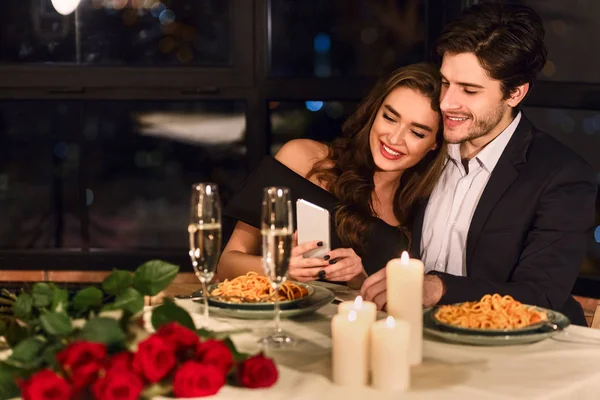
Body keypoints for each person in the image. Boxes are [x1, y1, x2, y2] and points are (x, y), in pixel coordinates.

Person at [361, 2, 597, 325]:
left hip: (517, 357)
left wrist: (439, 288)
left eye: (469, 91)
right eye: (445, 82)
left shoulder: (563, 176)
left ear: (515, 93)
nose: (445, 103)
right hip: (418, 338)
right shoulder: (428, 144)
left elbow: (541, 297)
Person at [217, 63, 447, 287]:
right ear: (374, 113)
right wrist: (281, 267)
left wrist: (358, 279)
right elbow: (226, 264)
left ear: (434, 144)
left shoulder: (424, 212)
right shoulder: (303, 159)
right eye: (389, 118)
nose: (395, 139)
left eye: (417, 132)